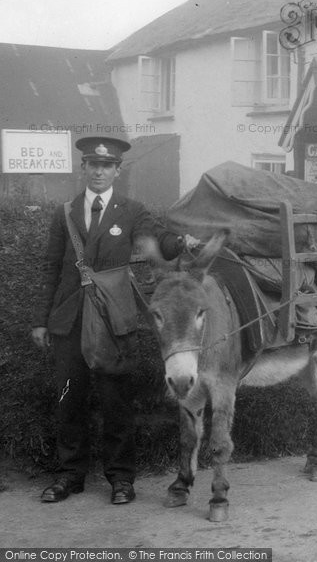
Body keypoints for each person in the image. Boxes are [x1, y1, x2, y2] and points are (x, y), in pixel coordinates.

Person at [32, 136, 198, 504]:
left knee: (116, 401)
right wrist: (42, 320)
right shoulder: (65, 212)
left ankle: (121, 479)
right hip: (70, 320)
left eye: (106, 166)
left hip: (112, 319)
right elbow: (50, 267)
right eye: (93, 165)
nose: (99, 171)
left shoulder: (132, 210)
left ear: (117, 171)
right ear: (84, 168)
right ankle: (70, 475)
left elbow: (160, 240)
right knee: (69, 399)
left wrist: (181, 242)